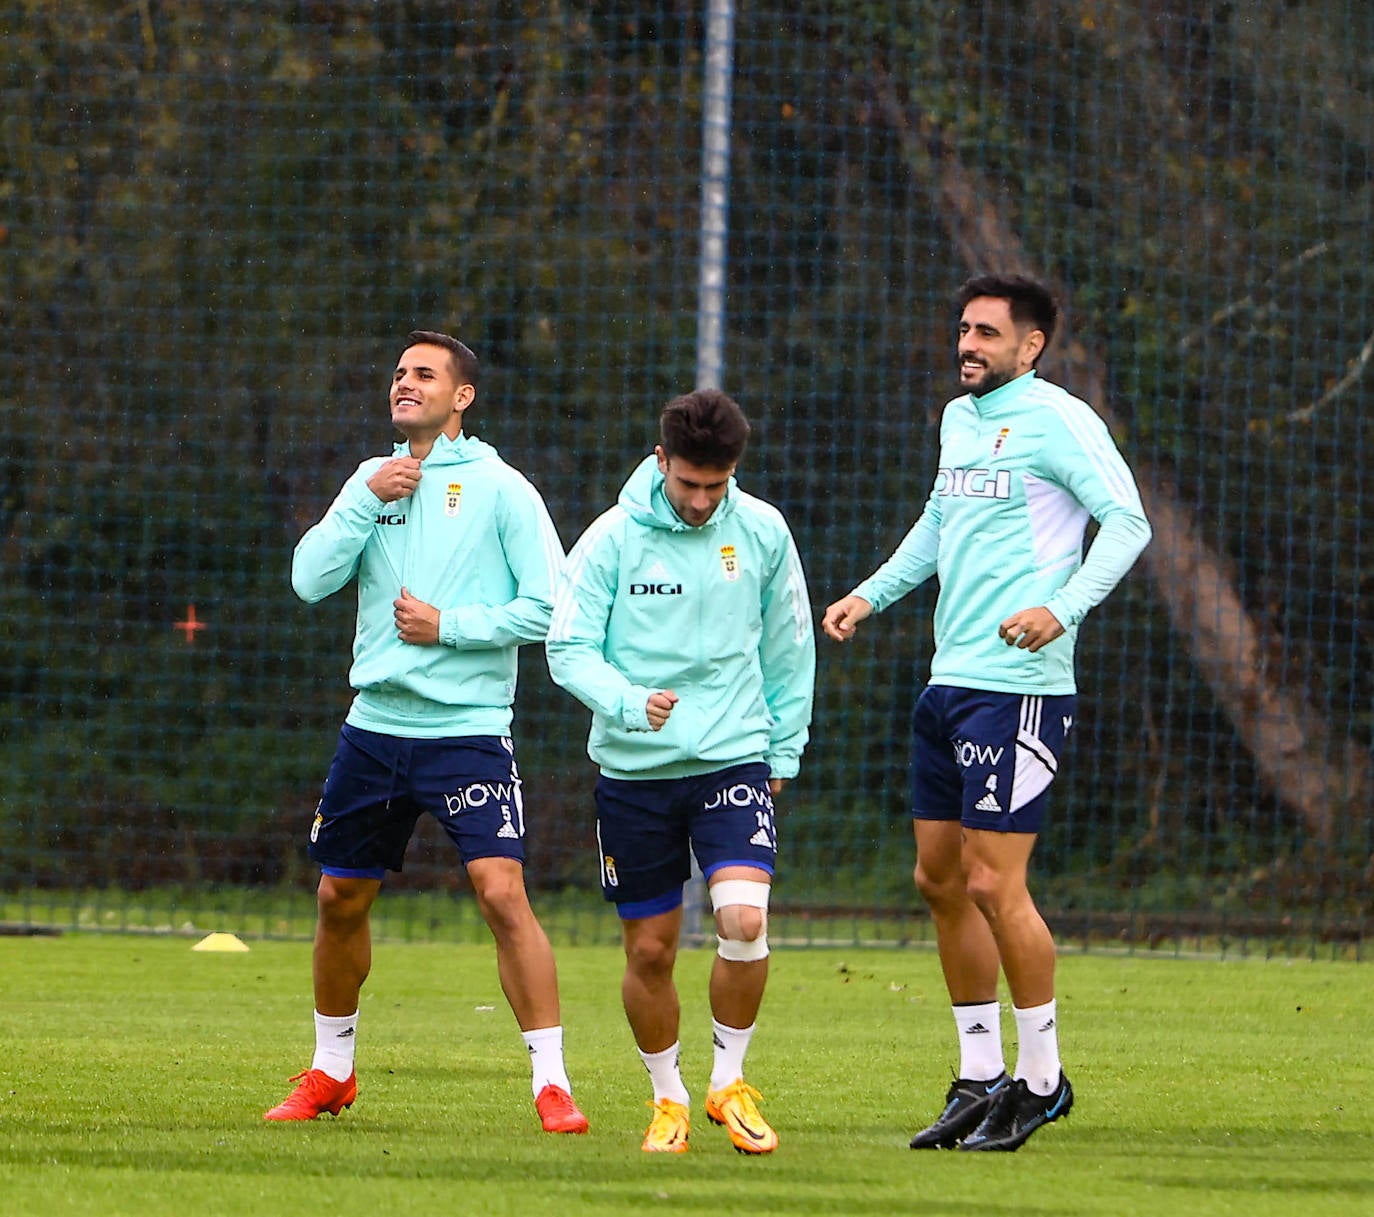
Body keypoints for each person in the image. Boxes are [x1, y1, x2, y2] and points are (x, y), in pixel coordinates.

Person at [822, 274, 1151, 1152]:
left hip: (1023, 686)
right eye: (962, 329)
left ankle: (1041, 1081)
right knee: (938, 878)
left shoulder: (1062, 419)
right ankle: (978, 1076)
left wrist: (1063, 608)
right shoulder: (957, 419)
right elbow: (938, 522)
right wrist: (871, 593)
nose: (967, 345)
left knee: (993, 883)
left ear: (1031, 345)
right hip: (949, 679)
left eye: (987, 334)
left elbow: (1128, 521)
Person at [265, 330, 587, 1135]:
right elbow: (308, 580)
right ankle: (331, 1069)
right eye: (399, 372)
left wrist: (449, 627)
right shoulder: (370, 483)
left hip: (468, 734)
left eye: (424, 374)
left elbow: (551, 606)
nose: (404, 383)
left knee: (501, 893)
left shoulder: (502, 487)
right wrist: (364, 497)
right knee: (339, 896)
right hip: (373, 730)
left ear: (462, 396)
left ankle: (552, 1082)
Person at [546, 390, 815, 1154]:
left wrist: (784, 749)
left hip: (734, 754)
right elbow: (566, 648)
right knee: (651, 950)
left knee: (744, 918)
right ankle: (669, 1098)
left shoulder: (761, 532)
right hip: (634, 772)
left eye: (717, 484)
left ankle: (728, 1081)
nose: (701, 500)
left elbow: (791, 646)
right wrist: (630, 702)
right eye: (689, 482)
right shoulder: (609, 540)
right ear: (661, 460)